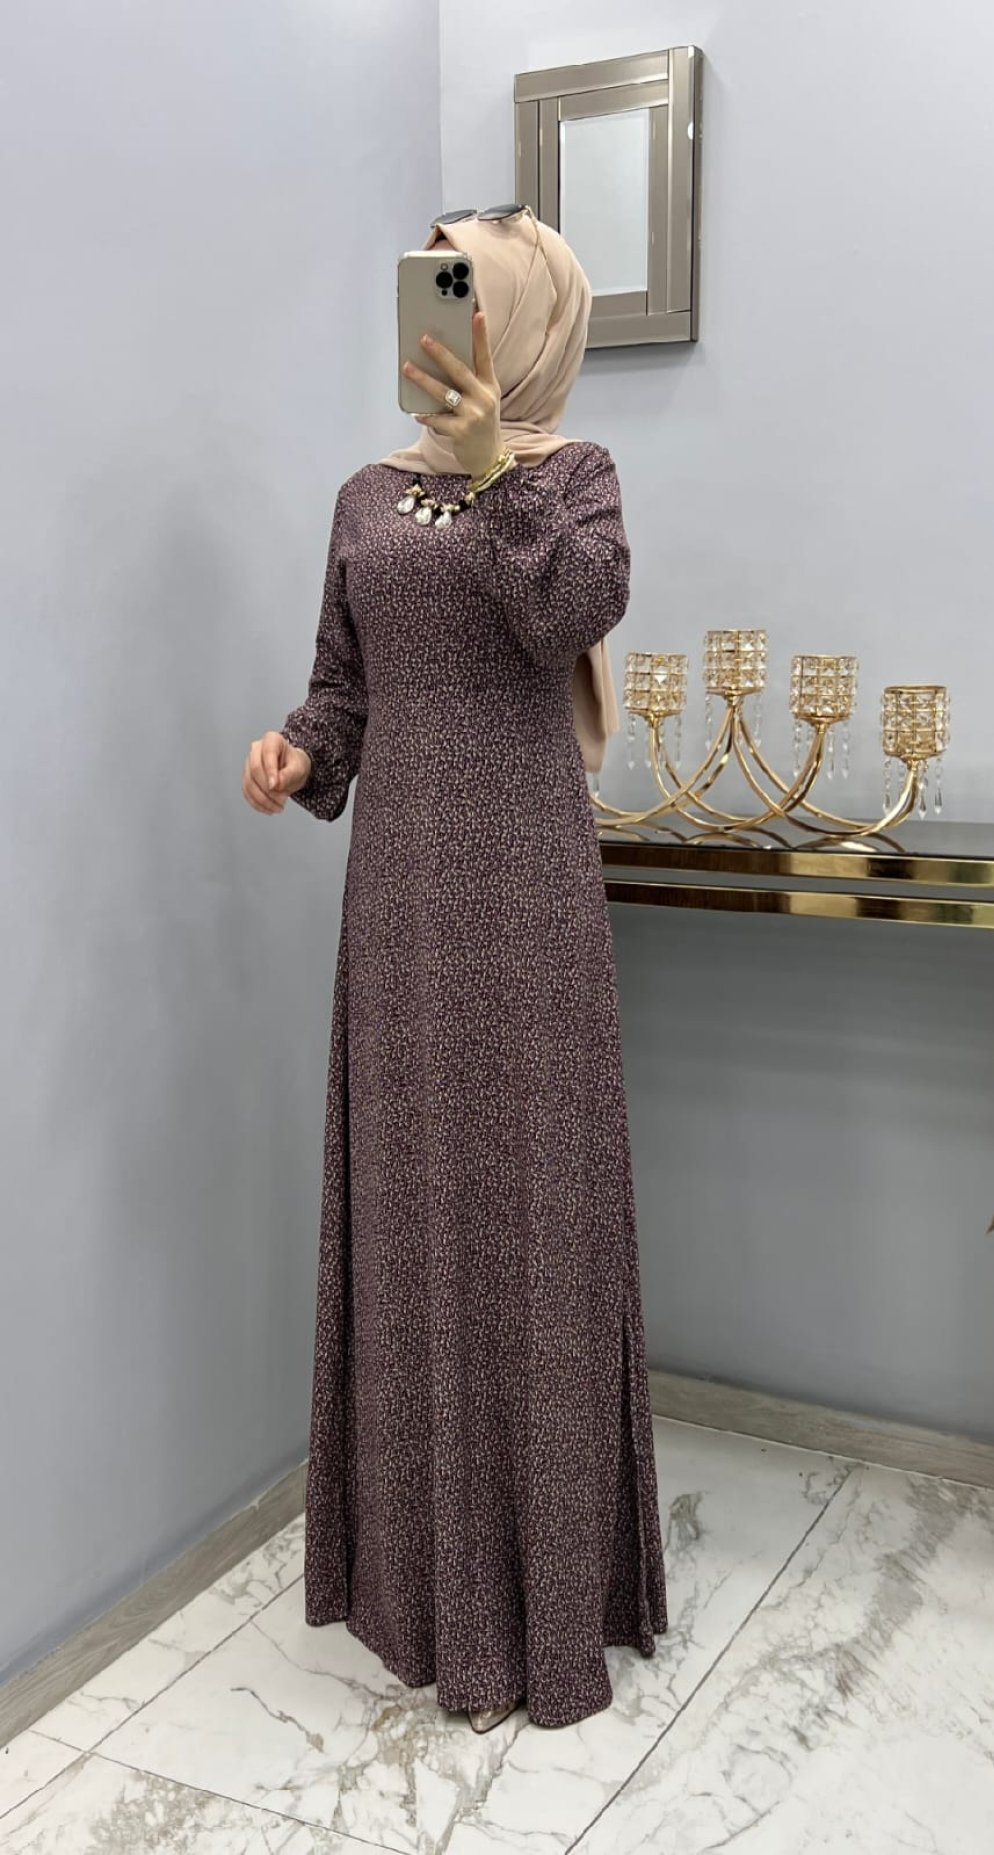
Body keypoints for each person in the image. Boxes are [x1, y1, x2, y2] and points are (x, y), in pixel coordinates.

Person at [241, 205, 668, 1733]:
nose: (443, 323)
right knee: (414, 1205)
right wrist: (301, 750)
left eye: (470, 292)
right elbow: (344, 685)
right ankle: (419, 1588)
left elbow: (571, 614)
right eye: (432, 293)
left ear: (528, 318)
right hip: (401, 901)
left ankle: (545, 1605)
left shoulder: (573, 478)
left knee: (531, 1215)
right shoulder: (363, 493)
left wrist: (496, 467)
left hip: (525, 893)